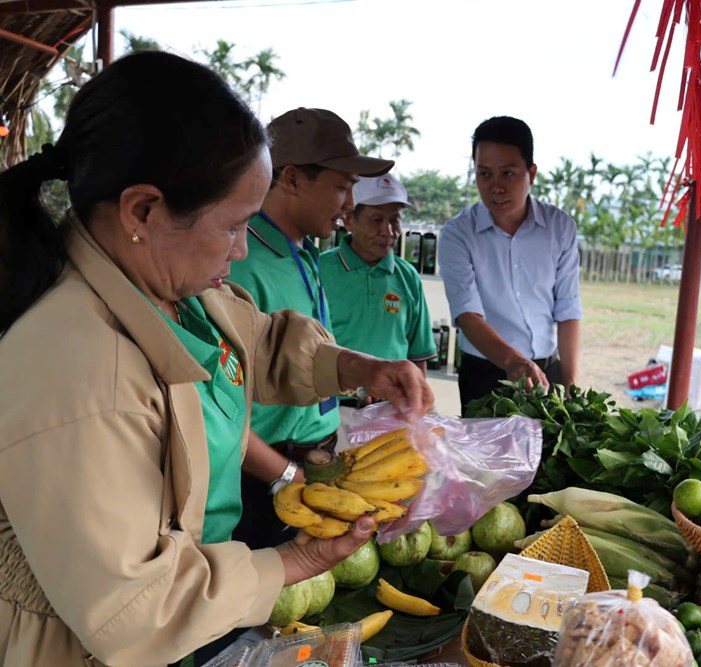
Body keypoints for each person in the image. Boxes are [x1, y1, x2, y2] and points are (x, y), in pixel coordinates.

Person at [0, 52, 433, 666]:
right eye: (233, 227)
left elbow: (253, 340)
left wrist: (357, 368)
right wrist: (299, 559)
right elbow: (135, 609)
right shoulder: (79, 372)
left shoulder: (173, 288)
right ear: (142, 211)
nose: (242, 251)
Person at [226, 107, 395, 553]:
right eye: (341, 187)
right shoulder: (238, 262)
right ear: (293, 179)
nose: (350, 204)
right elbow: (217, 410)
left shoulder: (303, 253)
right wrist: (285, 475)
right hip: (262, 476)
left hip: (313, 460)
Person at [438, 116, 582, 413]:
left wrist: (569, 385)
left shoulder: (559, 228)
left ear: (532, 173)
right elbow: (467, 314)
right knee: (484, 445)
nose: (496, 187)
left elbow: (568, 309)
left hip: (549, 373)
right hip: (485, 376)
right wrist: (513, 361)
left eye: (508, 173)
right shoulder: (457, 234)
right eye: (484, 174)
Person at [319, 173, 437, 421]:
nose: (388, 231)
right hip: (330, 408)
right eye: (376, 220)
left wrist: (416, 406)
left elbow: (418, 356)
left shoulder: (407, 277)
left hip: (391, 410)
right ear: (349, 220)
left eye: (395, 220)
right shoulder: (319, 270)